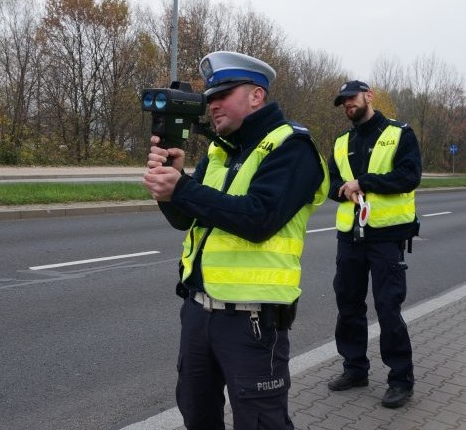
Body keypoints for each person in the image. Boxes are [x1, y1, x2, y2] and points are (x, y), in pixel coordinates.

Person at [143, 50, 329, 429]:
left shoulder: (292, 147)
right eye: (209, 98)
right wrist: (171, 187)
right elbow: (187, 219)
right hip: (198, 311)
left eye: (222, 95)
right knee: (197, 415)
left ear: (256, 95)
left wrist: (184, 189)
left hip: (252, 321)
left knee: (260, 422)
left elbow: (259, 218)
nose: (212, 105)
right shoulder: (219, 150)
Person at [325, 80, 421, 409]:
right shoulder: (340, 142)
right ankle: (355, 369)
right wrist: (343, 189)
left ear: (369, 96)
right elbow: (330, 183)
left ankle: (401, 380)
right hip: (350, 236)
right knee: (348, 305)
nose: (347, 104)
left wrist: (364, 183)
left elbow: (409, 176)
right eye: (343, 102)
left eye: (352, 98)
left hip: (385, 236)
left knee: (388, 308)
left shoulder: (399, 133)